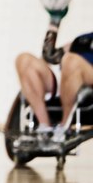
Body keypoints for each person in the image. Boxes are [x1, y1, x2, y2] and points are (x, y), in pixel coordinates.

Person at [15, 8, 93, 145]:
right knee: (24, 60)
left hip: (88, 85)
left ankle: (64, 127)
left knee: (71, 61)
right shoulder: (83, 40)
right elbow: (49, 56)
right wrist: (54, 22)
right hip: (67, 81)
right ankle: (45, 127)